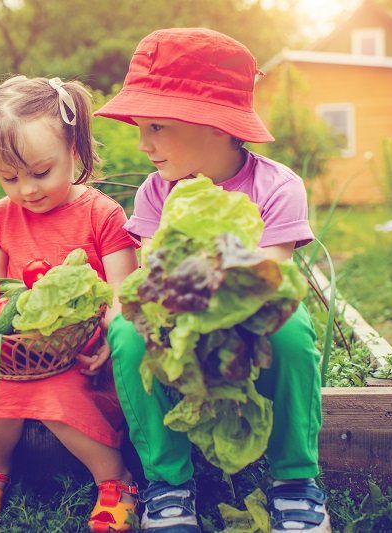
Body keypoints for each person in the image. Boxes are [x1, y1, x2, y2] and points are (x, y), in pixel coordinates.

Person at [95, 28, 331, 533]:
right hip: (178, 314)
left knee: (292, 334)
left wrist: (213, 292)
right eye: (141, 128)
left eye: (156, 126)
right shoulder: (155, 195)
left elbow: (271, 274)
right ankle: (168, 484)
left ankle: (295, 480)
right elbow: (154, 270)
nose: (143, 144)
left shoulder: (277, 186)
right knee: (127, 333)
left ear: (217, 125)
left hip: (252, 312)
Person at [0, 75, 140, 532]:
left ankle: (115, 479)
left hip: (82, 351)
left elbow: (122, 289)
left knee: (61, 405)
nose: (27, 190)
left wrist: (111, 341)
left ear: (74, 152)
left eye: (41, 172)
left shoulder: (102, 213)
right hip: (19, 353)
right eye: (9, 178)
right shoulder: (2, 217)